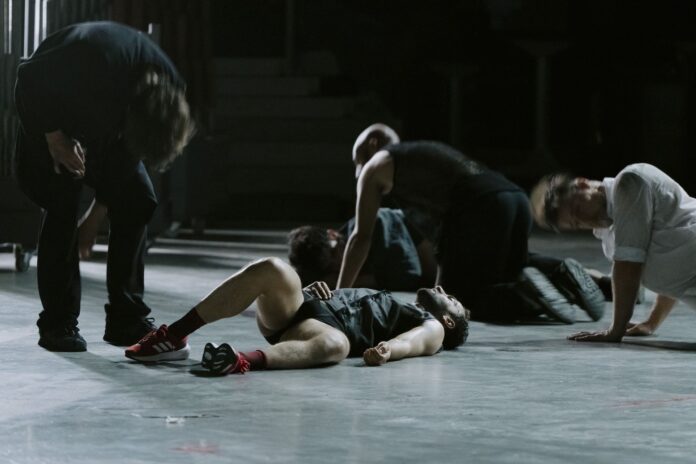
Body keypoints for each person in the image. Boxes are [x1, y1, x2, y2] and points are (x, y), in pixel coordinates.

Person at [14, 21, 195, 352]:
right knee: (63, 201)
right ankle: (58, 323)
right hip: (50, 116)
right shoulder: (93, 57)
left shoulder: (171, 89)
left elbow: (128, 155)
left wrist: (98, 214)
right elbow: (28, 78)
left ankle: (126, 318)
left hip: (107, 126)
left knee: (139, 198)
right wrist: (55, 138)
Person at [337, 123, 605, 324]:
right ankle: (560, 273)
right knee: (508, 270)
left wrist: (338, 295)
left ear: (372, 144)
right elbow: (444, 238)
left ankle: (524, 298)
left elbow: (361, 237)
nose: (356, 171)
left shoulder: (376, 167)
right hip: (513, 198)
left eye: (355, 160)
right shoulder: (419, 157)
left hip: (480, 205)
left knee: (457, 303)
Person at [124, 257, 469, 374]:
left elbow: (417, 342)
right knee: (273, 269)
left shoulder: (434, 327)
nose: (442, 292)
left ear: (449, 321)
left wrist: (388, 351)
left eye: (450, 300)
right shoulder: (394, 300)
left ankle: (238, 361)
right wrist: (312, 290)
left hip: (321, 332)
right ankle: (175, 335)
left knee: (336, 345)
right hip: (304, 308)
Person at [530, 163, 696, 342]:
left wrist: (615, 331)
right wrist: (651, 322)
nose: (584, 221)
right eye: (576, 223)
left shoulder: (630, 182)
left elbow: (629, 264)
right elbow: (671, 261)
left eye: (578, 210)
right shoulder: (609, 236)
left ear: (582, 184)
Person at [288, 208, 437, 290]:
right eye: (329, 267)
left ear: (333, 234)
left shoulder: (376, 225)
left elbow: (409, 275)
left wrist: (354, 281)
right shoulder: (321, 267)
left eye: (334, 252)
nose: (338, 264)